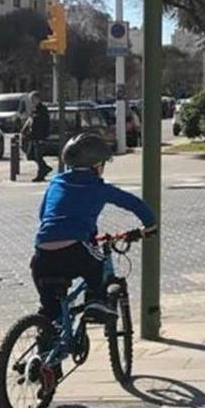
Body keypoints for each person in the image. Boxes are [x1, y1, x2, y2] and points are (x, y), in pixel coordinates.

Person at [32, 133, 156, 325]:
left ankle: (45, 343)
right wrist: (150, 225)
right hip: (74, 250)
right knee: (98, 264)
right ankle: (95, 302)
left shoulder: (56, 182)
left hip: (42, 254)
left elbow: (43, 215)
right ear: (97, 166)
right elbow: (134, 204)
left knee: (50, 309)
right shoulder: (99, 188)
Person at [21, 92, 52, 182]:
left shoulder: (42, 110)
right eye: (31, 100)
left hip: (40, 136)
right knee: (31, 155)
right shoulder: (35, 109)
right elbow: (31, 120)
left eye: (33, 99)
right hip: (34, 136)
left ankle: (41, 173)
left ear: (38, 99)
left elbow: (41, 124)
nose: (31, 101)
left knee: (38, 155)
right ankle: (44, 168)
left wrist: (40, 134)